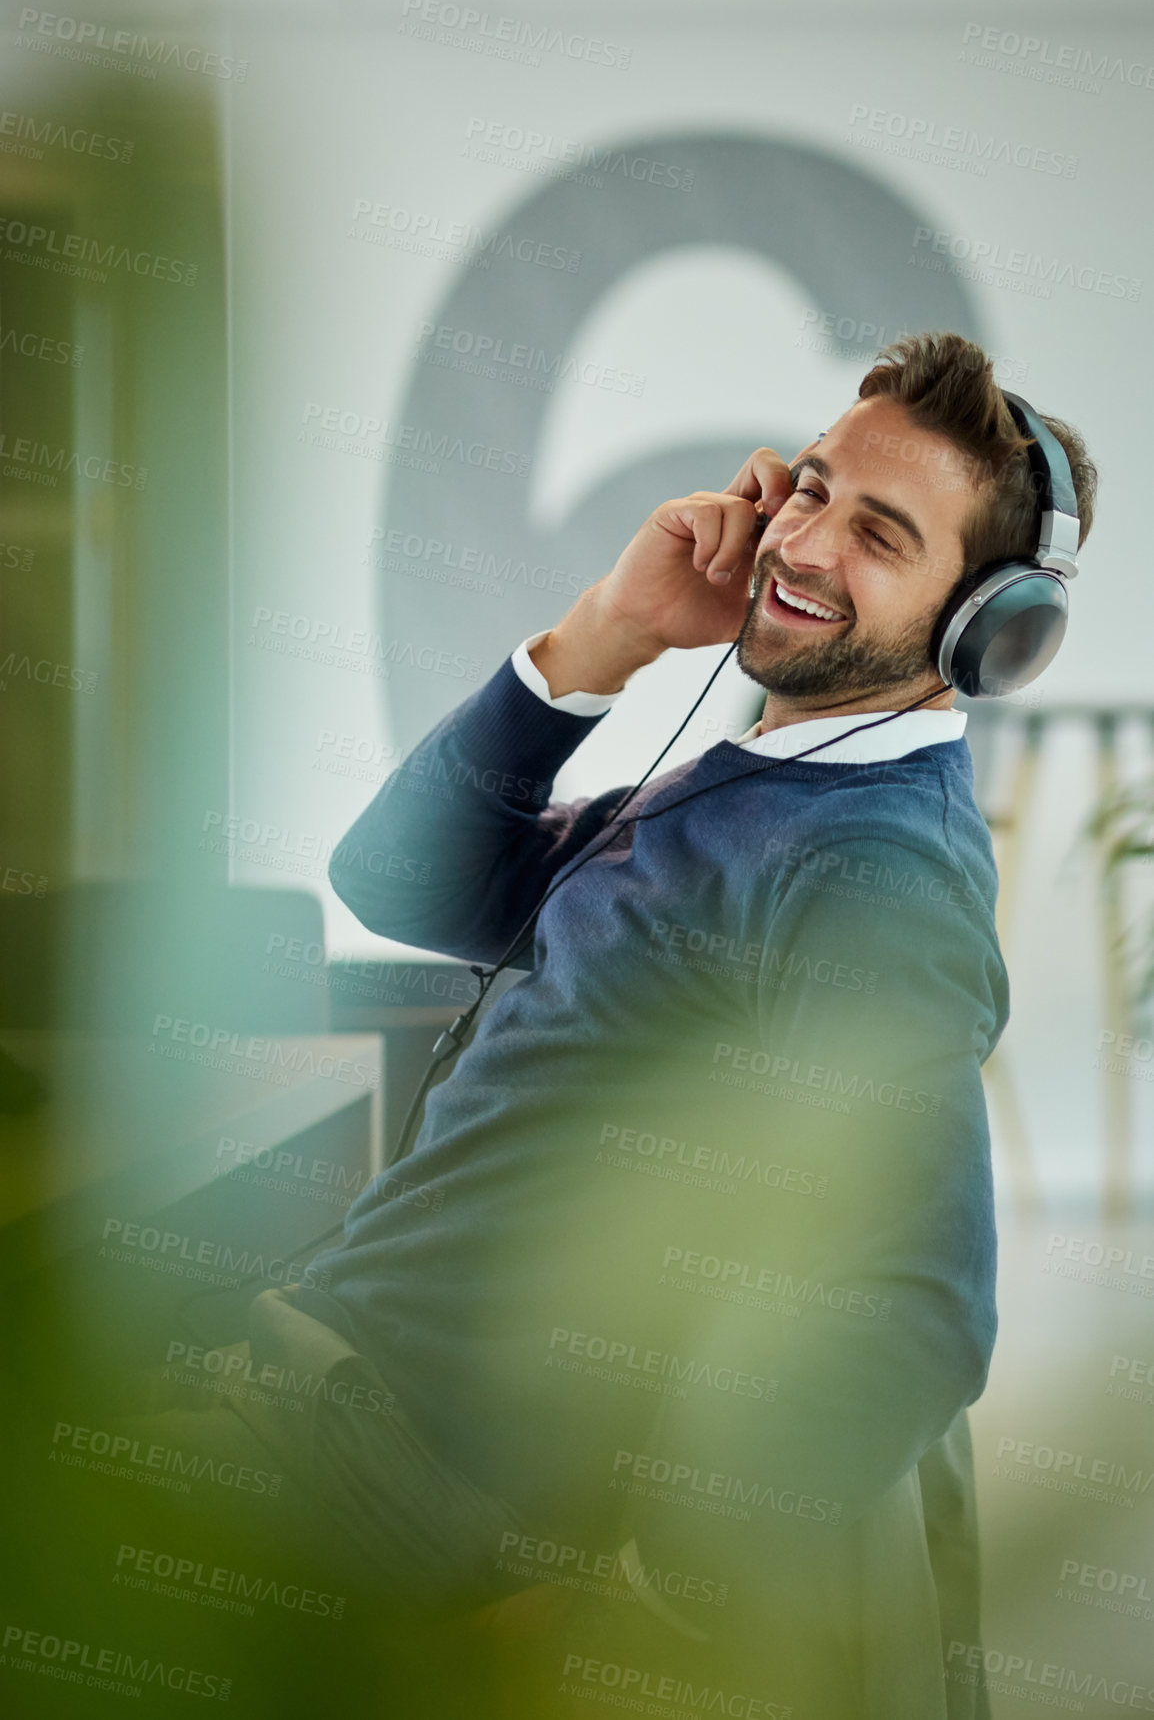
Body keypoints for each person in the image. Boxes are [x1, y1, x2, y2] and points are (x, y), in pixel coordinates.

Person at [117, 333, 1099, 1718]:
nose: (803, 540)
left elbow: (917, 1314)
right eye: (808, 489)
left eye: (878, 531)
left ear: (985, 628)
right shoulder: (753, 788)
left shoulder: (868, 873)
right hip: (321, 1390)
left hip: (383, 1469)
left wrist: (642, 1604)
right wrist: (613, 633)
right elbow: (398, 882)